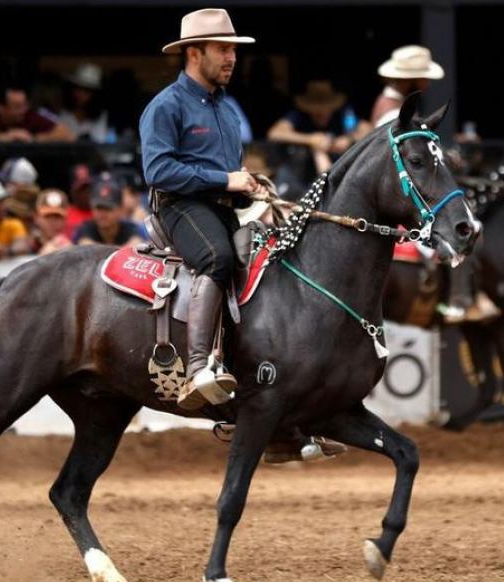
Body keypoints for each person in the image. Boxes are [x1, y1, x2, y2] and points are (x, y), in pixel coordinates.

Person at [140, 8, 258, 409]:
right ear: (194, 53)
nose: (231, 58)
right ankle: (197, 369)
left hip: (222, 209)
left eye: (233, 50)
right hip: (178, 208)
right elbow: (158, 170)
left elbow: (227, 173)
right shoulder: (165, 106)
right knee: (217, 258)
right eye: (223, 49)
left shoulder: (226, 107)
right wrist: (227, 180)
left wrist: (247, 186)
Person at [267, 80, 371, 172]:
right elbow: (275, 133)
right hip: (302, 173)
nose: (322, 113)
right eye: (317, 111)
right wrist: (310, 139)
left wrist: (349, 139)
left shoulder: (343, 114)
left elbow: (368, 129)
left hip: (338, 169)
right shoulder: (298, 116)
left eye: (326, 109)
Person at [0, 85, 74, 143]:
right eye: (17, 106)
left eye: (25, 104)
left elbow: (67, 135)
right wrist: (3, 137)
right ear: (2, 108)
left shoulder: (29, 115)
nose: (23, 110)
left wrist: (32, 138)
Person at [371, 45, 444, 127]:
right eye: (424, 79)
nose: (427, 85)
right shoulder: (394, 116)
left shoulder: (389, 100)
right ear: (409, 80)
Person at [74, 175, 145, 246]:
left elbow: (136, 243)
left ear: (120, 209)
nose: (102, 213)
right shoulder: (85, 229)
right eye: (98, 208)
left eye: (108, 208)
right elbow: (85, 246)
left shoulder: (131, 228)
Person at [58, 63, 111, 142]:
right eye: (77, 88)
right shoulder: (63, 113)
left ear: (94, 94)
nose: (80, 94)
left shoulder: (101, 116)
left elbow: (100, 143)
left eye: (86, 91)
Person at [31, 189, 73, 255]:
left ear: (65, 220)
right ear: (37, 218)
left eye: (57, 217)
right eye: (47, 216)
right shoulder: (30, 244)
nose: (52, 222)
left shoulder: (72, 244)